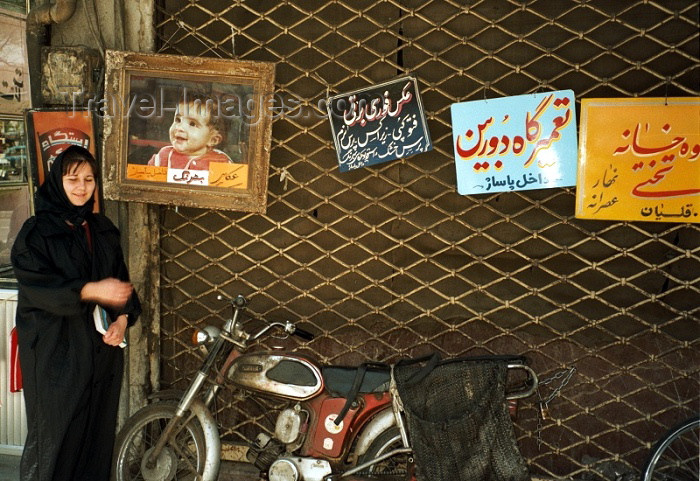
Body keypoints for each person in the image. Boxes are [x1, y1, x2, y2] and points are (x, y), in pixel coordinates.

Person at [11, 145, 141, 481]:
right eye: (73, 179)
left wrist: (123, 321)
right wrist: (90, 290)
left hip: (101, 355)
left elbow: (123, 286)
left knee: (95, 439)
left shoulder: (102, 230)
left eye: (89, 179)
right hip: (58, 354)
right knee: (56, 439)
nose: (82, 187)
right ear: (58, 181)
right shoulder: (37, 233)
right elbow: (39, 287)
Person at [148, 94, 233, 170]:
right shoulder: (163, 156)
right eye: (178, 120)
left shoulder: (221, 162)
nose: (179, 127)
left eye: (192, 124)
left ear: (213, 140)